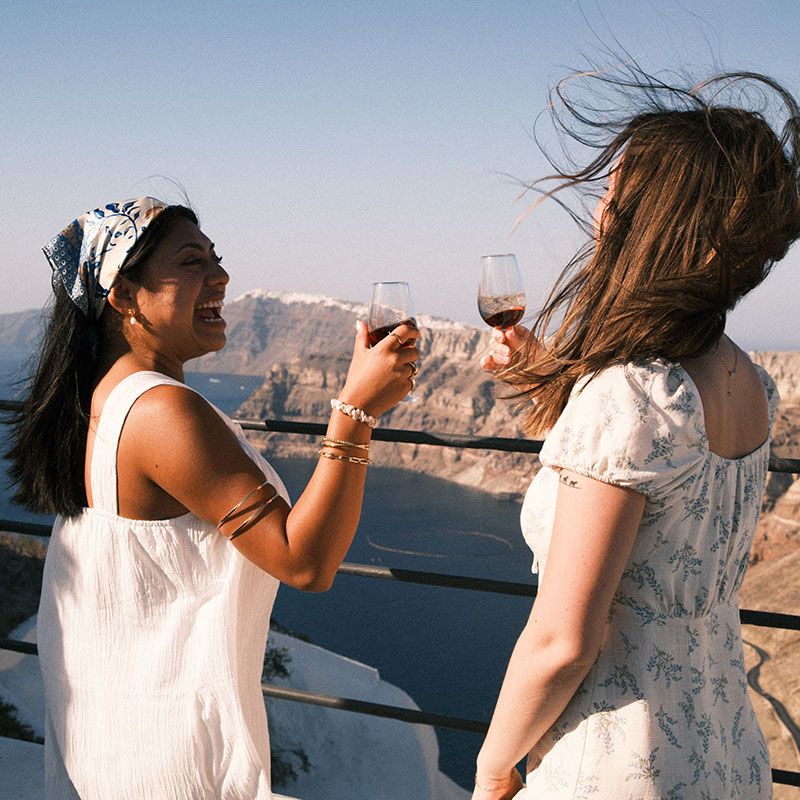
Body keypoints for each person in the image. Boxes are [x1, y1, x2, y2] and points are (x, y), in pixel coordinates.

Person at [5, 197, 419, 799]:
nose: (221, 276)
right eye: (192, 262)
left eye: (215, 257)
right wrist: (355, 411)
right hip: (168, 753)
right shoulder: (162, 411)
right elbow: (306, 562)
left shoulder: (106, 393)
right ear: (124, 296)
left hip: (117, 736)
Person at [474, 70, 800, 800]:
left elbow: (563, 642)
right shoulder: (749, 379)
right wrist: (550, 379)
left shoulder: (629, 395)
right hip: (725, 753)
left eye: (614, 192)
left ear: (654, 221)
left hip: (618, 764)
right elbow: (652, 472)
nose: (600, 210)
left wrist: (493, 767)